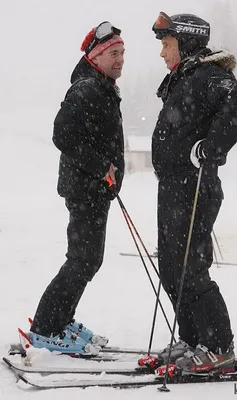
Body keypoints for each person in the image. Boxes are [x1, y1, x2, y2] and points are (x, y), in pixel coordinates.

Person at [151, 12, 237, 372]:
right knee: (171, 267)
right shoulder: (185, 78)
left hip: (195, 187)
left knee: (190, 268)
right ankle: (195, 339)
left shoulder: (207, 75)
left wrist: (212, 148)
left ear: (187, 41)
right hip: (174, 187)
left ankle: (219, 347)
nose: (163, 53)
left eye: (167, 44)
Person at [25, 22, 125, 354]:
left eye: (122, 52)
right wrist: (101, 167)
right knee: (82, 260)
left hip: (94, 189)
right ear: (97, 56)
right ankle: (45, 329)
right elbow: (62, 135)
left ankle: (60, 321)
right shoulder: (88, 88)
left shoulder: (101, 85)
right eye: (114, 53)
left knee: (86, 259)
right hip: (85, 189)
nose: (121, 59)